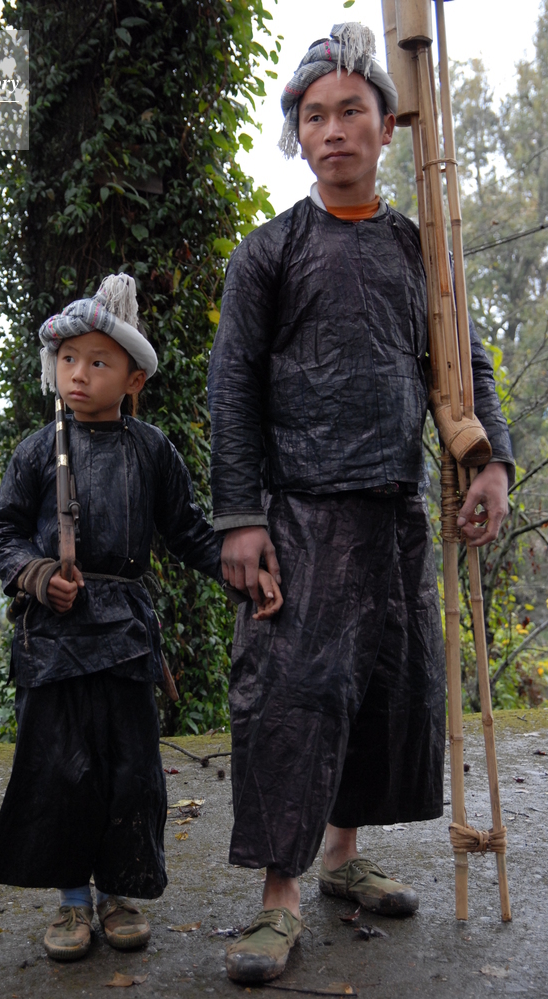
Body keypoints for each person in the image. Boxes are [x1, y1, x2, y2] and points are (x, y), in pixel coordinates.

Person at [207, 23, 514, 984]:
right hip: (299, 514)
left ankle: (342, 856)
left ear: (386, 127)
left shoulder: (421, 250)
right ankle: (278, 897)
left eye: (350, 111)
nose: (332, 129)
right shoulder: (269, 252)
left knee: (385, 692)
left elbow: (464, 362)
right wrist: (240, 516)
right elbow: (231, 386)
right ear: (297, 136)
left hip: (396, 511)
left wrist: (491, 465)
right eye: (313, 116)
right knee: (290, 700)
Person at [0, 273, 282, 963]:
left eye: (98, 362)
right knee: (61, 769)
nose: (78, 374)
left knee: (130, 770)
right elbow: (3, 533)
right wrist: (37, 575)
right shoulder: (36, 451)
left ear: (133, 378)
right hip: (52, 639)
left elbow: (191, 533)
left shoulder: (151, 451)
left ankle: (118, 893)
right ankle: (72, 900)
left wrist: (246, 576)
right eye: (67, 359)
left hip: (125, 638)